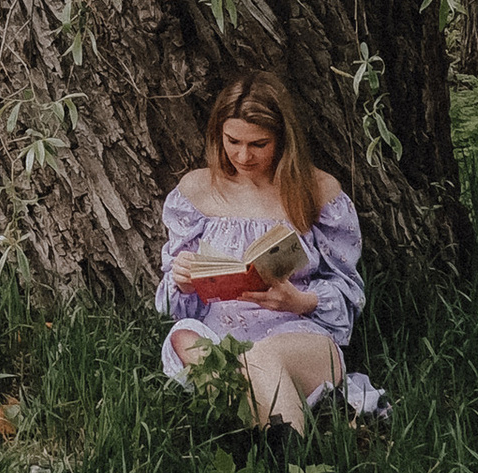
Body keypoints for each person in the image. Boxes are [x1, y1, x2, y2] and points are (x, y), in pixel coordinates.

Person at [156, 68, 385, 433]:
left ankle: (278, 456)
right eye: (233, 141)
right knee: (184, 337)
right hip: (221, 339)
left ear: (282, 139)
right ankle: (282, 439)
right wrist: (183, 282)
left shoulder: (317, 192)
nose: (243, 156)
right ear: (218, 134)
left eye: (258, 144)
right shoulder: (198, 192)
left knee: (264, 356)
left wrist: (300, 301)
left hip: (297, 338)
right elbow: (175, 305)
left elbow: (349, 293)